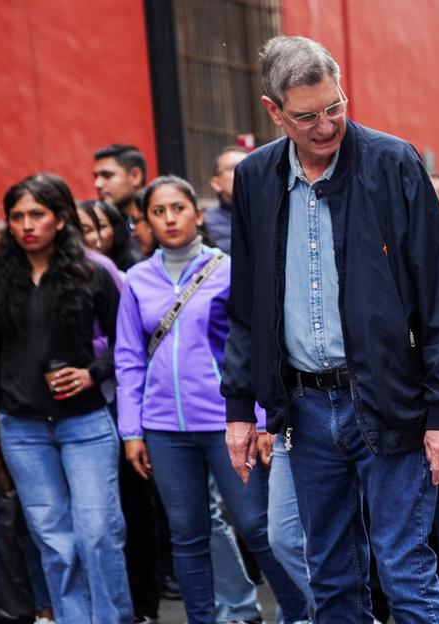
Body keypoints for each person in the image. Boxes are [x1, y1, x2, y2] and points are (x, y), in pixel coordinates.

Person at [221, 36, 439, 622]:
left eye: (334, 107)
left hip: (389, 398)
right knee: (331, 579)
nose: (325, 126)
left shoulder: (393, 162)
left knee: (405, 571)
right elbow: (247, 307)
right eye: (306, 116)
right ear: (273, 111)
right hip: (304, 409)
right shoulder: (257, 178)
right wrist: (240, 410)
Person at [114, 175, 307, 624]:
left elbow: (256, 347)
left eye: (178, 208)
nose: (170, 218)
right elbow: (127, 359)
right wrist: (131, 430)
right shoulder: (137, 280)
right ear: (147, 222)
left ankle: (298, 611)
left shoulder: (227, 269)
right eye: (158, 212)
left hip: (226, 422)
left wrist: (261, 419)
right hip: (163, 428)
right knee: (187, 534)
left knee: (257, 526)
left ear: (196, 213)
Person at [0, 173, 131, 623]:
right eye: (17, 216)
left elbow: (129, 345)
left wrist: (92, 373)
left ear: (60, 219)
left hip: (86, 422)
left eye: (36, 215)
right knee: (53, 540)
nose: (26, 225)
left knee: (98, 533)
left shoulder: (94, 271)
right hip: (21, 430)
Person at [93, 144, 155, 256]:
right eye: (96, 177)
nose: (97, 184)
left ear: (135, 176)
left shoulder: (163, 220)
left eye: (107, 175)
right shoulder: (99, 224)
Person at [204, 146, 248, 254]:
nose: (243, 172)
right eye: (234, 168)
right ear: (216, 183)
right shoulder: (204, 223)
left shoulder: (273, 214)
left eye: (248, 166)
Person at [88, 199, 141, 271]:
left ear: (116, 229)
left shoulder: (138, 267)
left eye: (101, 226)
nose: (93, 236)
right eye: (86, 229)